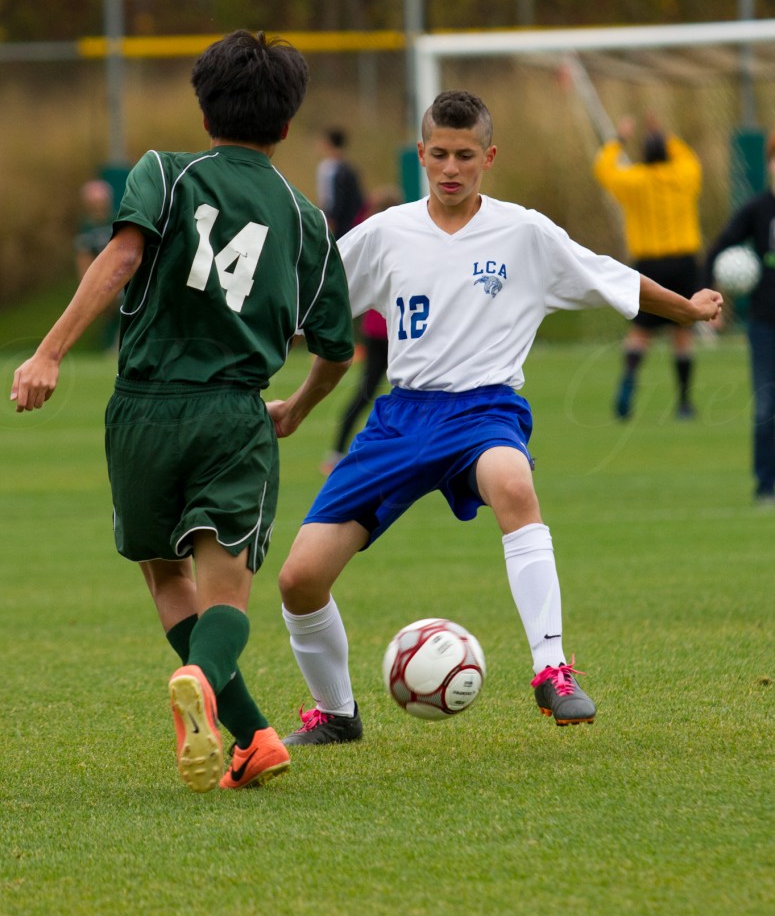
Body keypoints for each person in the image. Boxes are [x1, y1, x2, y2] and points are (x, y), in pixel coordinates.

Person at [266, 90, 723, 745]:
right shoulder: (384, 234)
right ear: (420, 154)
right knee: (299, 578)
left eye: (465, 156)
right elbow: (305, 306)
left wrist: (690, 306)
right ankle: (336, 714)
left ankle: (551, 670)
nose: (451, 168)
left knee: (513, 482)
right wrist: (280, 386)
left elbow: (611, 279)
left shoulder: (523, 233)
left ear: (488, 157)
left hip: (484, 408)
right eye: (439, 155)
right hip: (401, 419)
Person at [10, 30, 354, 792]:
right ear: (289, 124)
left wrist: (50, 353)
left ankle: (255, 737)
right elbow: (336, 348)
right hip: (233, 414)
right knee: (225, 587)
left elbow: (122, 258)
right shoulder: (306, 223)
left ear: (205, 113)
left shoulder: (166, 172)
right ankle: (206, 682)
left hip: (140, 409)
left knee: (166, 575)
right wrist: (297, 406)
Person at [593, 113, 703, 420]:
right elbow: (690, 158)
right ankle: (683, 402)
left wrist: (619, 138)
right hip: (683, 261)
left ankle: (628, 381)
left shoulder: (635, 180)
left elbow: (603, 169)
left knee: (641, 332)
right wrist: (663, 132)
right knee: (682, 332)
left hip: (648, 264)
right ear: (667, 153)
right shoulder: (684, 176)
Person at [704, 128, 775, 504]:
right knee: (766, 404)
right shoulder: (757, 209)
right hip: (765, 322)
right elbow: (718, 248)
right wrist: (703, 301)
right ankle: (766, 486)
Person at [320, 185, 402, 476]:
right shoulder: (402, 240)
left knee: (365, 393)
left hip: (374, 329)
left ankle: (336, 452)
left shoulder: (368, 235)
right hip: (396, 331)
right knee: (408, 393)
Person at [74, 179, 119, 350]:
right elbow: (83, 256)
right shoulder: (86, 228)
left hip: (121, 272)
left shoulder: (117, 220)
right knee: (106, 311)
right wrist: (86, 282)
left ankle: (119, 345)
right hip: (100, 275)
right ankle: (109, 346)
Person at [316, 127, 365, 239]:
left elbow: (330, 198)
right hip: (351, 220)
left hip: (338, 222)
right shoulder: (350, 168)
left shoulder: (329, 169)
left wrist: (331, 219)